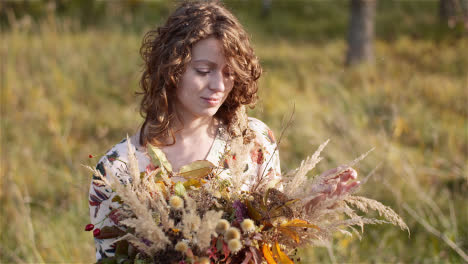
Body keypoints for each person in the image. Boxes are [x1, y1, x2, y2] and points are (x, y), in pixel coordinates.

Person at [88, 0, 358, 261]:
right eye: (204, 70)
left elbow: (274, 237)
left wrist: (313, 202)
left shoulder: (253, 142)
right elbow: (112, 257)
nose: (219, 84)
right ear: (172, 68)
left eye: (229, 72)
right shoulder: (118, 169)